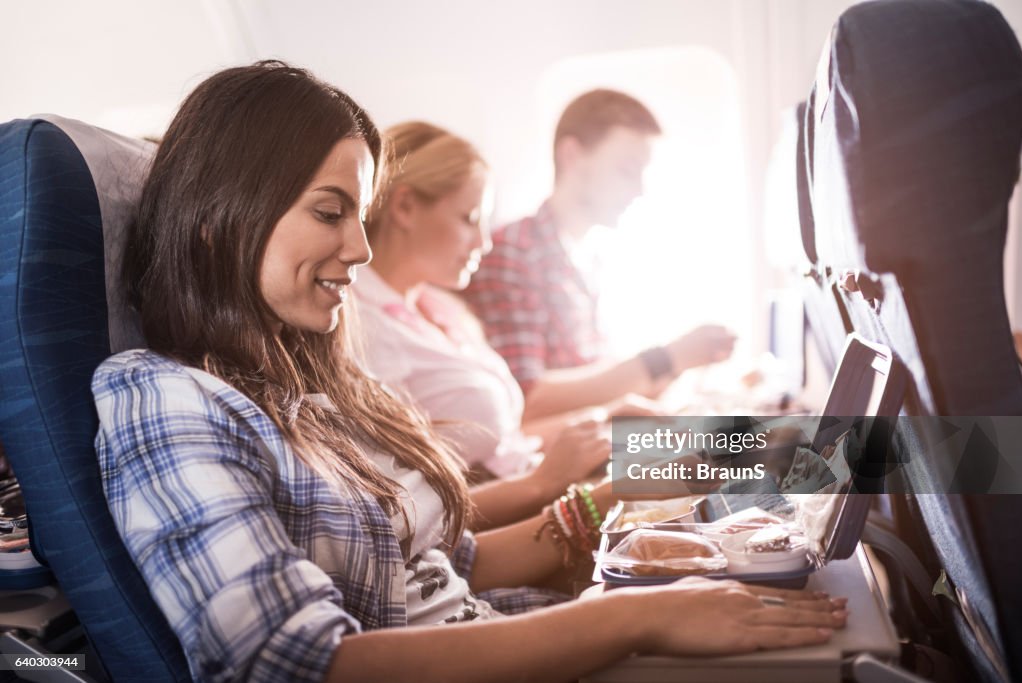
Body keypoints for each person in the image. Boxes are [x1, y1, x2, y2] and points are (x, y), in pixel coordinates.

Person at [93, 61, 846, 683]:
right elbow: (292, 662)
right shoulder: (163, 394)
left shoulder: (318, 379)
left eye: (357, 214)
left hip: (510, 592)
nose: (359, 247)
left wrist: (610, 495)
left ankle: (935, 455)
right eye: (331, 213)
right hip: (501, 621)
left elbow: (445, 561)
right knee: (843, 619)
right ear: (217, 216)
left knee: (841, 492)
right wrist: (633, 612)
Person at [355, 121, 615, 528]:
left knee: (724, 449)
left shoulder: (439, 308)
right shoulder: (362, 327)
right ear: (404, 208)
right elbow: (411, 517)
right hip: (517, 517)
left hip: (536, 480)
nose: (484, 242)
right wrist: (545, 481)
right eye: (469, 218)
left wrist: (607, 419)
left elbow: (503, 440)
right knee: (705, 471)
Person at [463, 89, 737, 424]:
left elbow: (597, 378)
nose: (639, 190)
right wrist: (664, 360)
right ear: (572, 155)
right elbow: (525, 397)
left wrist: (678, 369)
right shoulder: (513, 253)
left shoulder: (590, 260)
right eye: (626, 170)